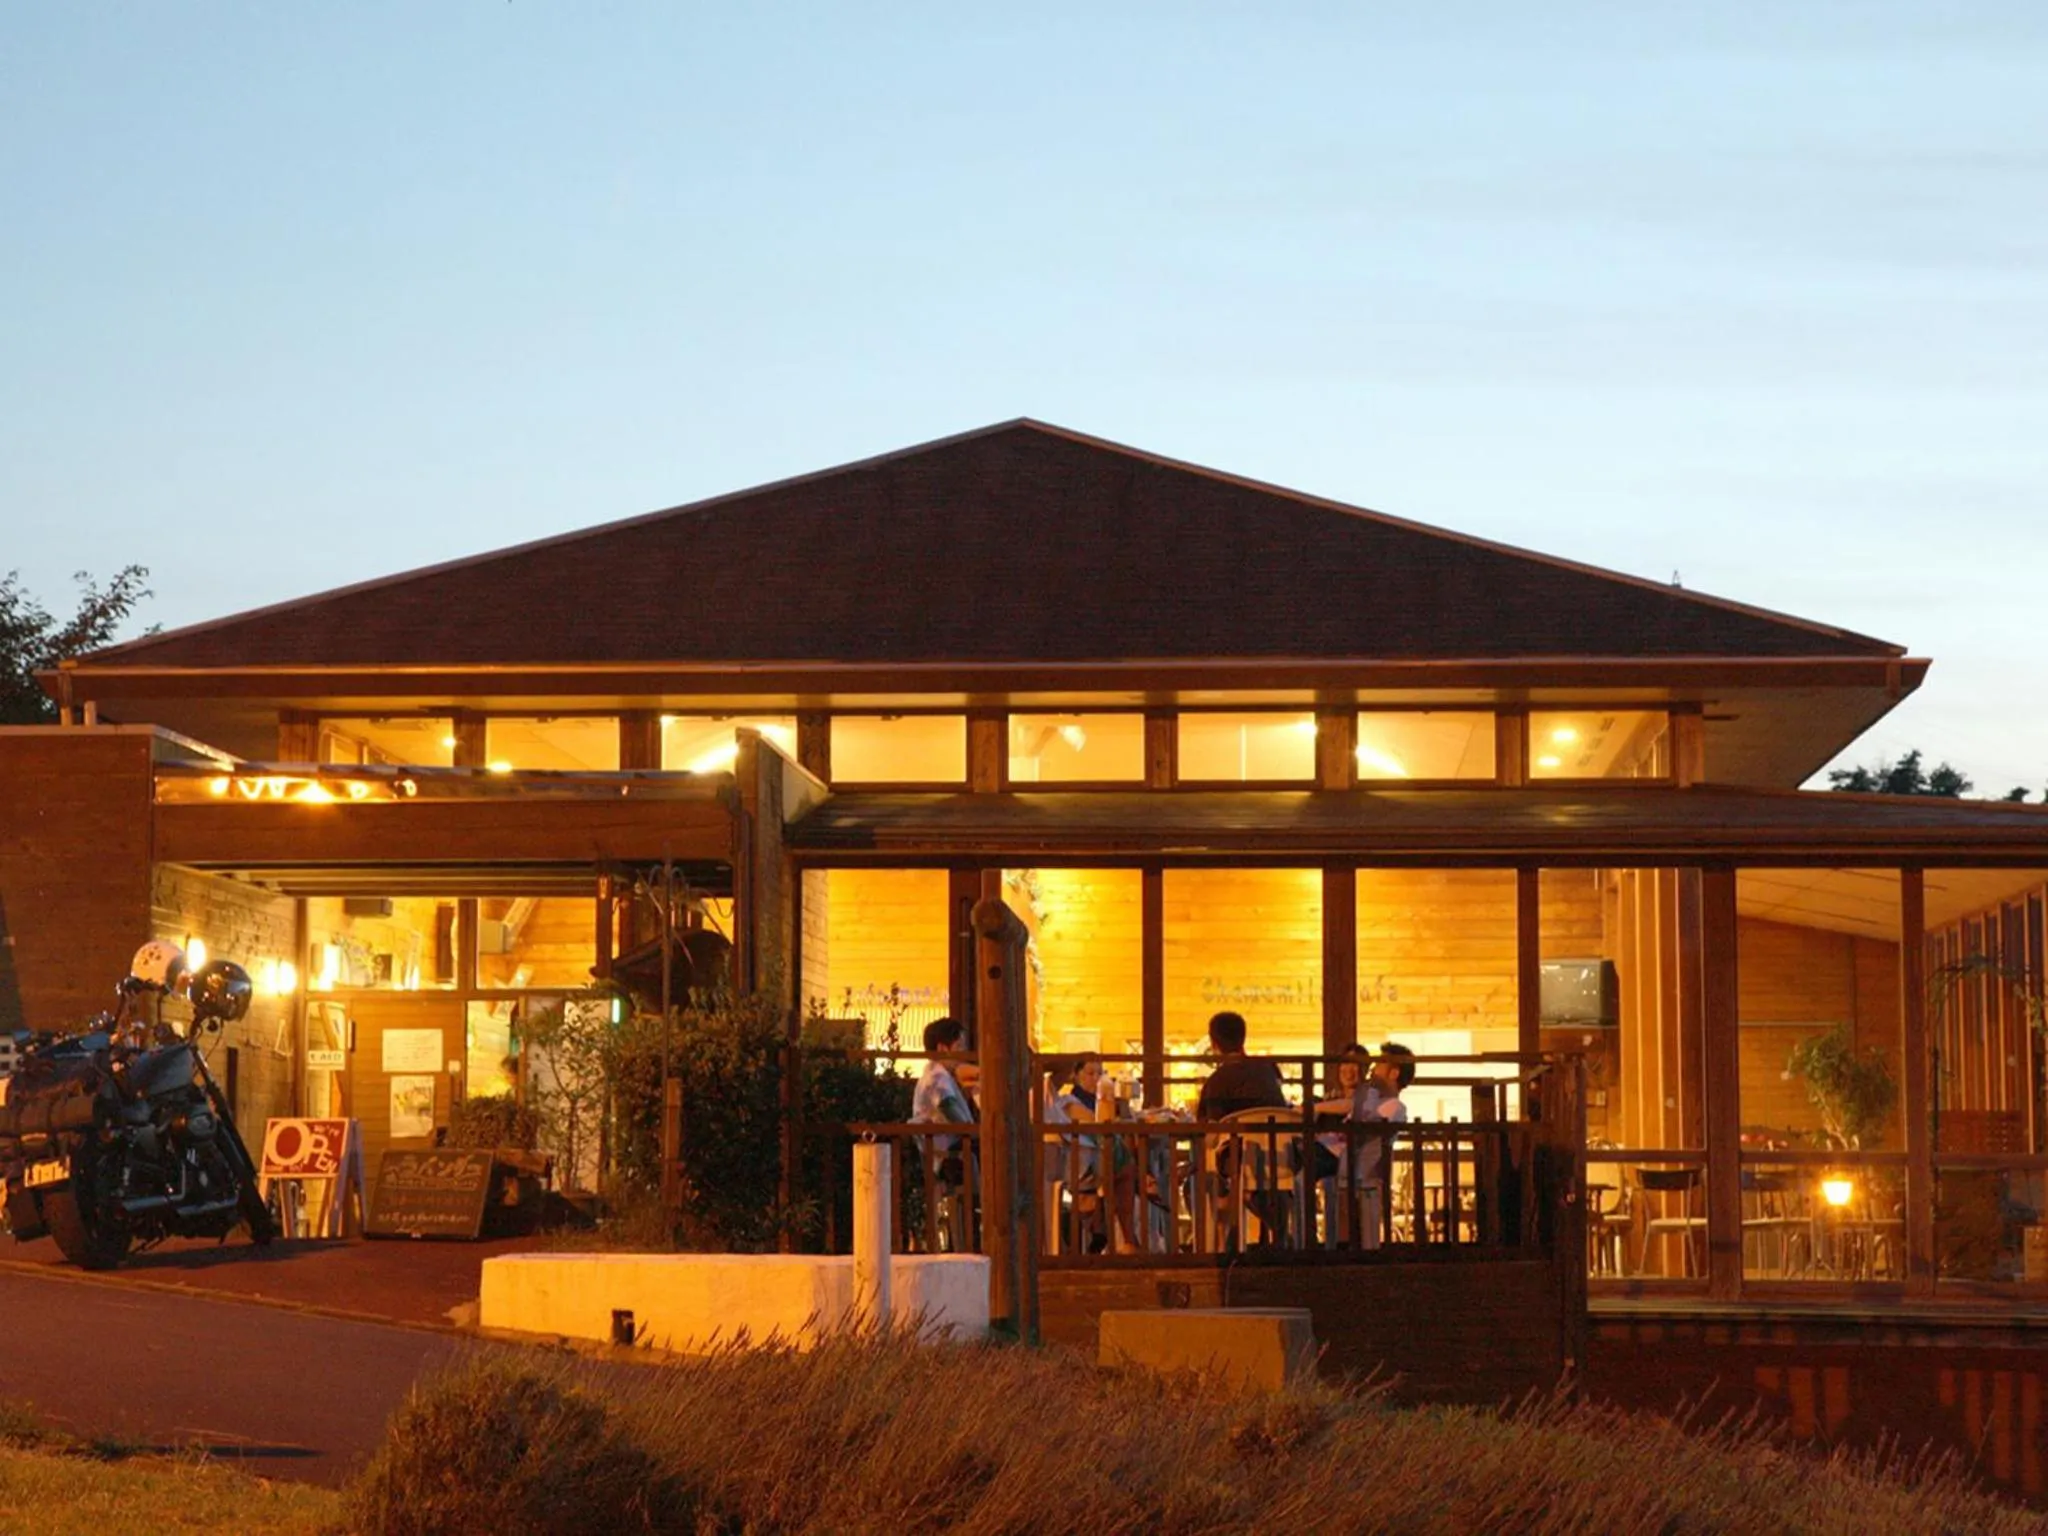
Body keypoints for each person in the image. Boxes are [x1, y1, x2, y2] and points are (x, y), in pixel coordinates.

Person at [1045, 1053, 1140, 1250]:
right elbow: (1097, 1123)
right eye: (1089, 1073)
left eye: (1100, 1073)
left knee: (1127, 1161)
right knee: (1127, 1168)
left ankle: (1118, 1233)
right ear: (1077, 1075)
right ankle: (1124, 1237)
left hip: (1095, 1160)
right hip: (1076, 1163)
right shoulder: (1069, 1101)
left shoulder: (1104, 1102)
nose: (1095, 1078)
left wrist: (1121, 1107)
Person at [1193, 1011, 1288, 1121]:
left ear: (1213, 1043)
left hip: (1237, 1137)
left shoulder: (1216, 1081)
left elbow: (1210, 1126)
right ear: (1243, 1038)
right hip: (1277, 1135)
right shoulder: (1269, 1069)